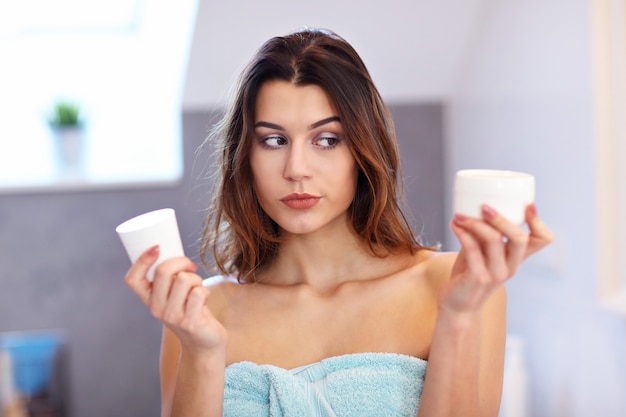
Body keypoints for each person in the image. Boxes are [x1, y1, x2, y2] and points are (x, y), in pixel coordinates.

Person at [125, 28, 553, 417]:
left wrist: (458, 316)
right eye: (273, 140)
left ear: (363, 150)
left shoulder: (457, 287)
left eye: (326, 140)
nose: (297, 168)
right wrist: (202, 352)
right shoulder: (200, 313)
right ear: (245, 157)